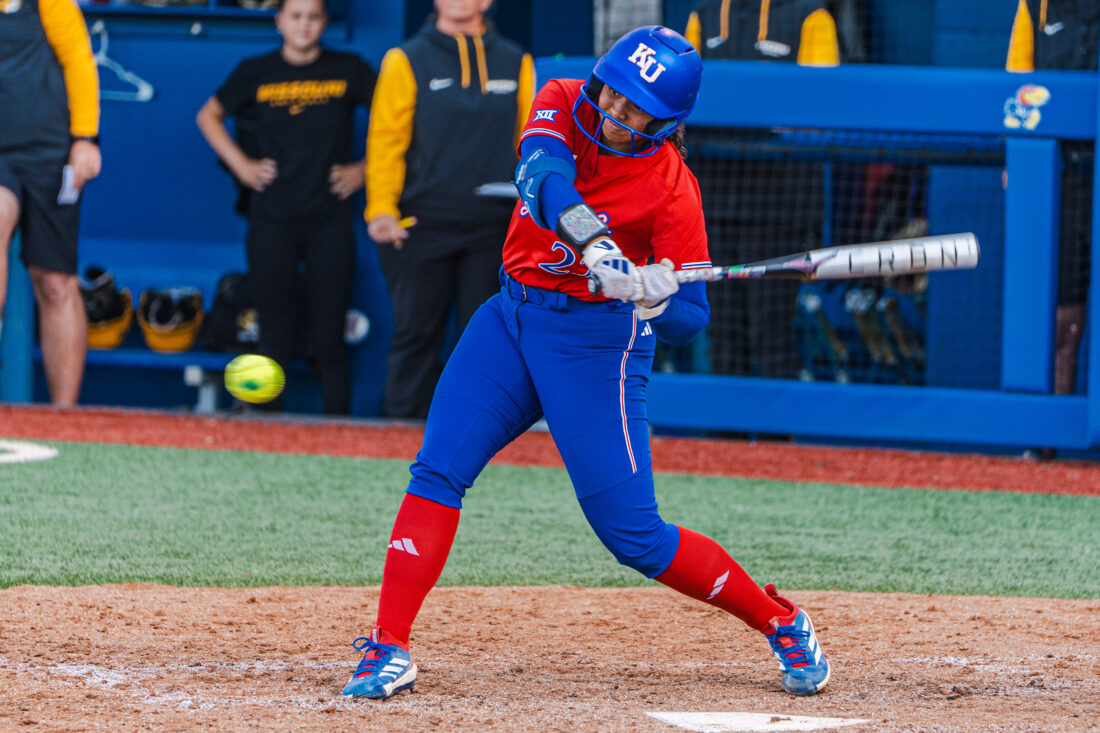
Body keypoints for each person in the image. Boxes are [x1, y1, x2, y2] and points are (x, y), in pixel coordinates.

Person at [341, 26, 830, 701]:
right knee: (438, 470)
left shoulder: (672, 190)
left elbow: (691, 319)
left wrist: (657, 297)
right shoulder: (563, 99)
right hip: (512, 317)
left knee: (635, 537)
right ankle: (388, 645)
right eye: (613, 93)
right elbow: (541, 175)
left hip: (596, 345)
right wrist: (599, 246)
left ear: (667, 124)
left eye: (636, 110)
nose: (614, 112)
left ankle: (780, 620)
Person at [196, 0, 376, 415]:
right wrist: (242, 166)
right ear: (279, 21)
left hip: (329, 221)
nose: (304, 25)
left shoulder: (348, 68)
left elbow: (399, 119)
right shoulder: (256, 71)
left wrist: (364, 170)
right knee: (273, 337)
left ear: (325, 22)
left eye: (313, 16)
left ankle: (341, 438)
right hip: (272, 219)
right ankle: (269, 436)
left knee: (329, 339)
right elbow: (208, 116)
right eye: (295, 16)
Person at [366, 0, 534, 419]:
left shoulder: (517, 61)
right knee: (415, 337)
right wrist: (381, 209)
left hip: (494, 226)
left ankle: (480, 439)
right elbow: (386, 142)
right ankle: (395, 439)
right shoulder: (406, 58)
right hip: (422, 222)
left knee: (487, 343)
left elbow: (530, 144)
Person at [684, 1, 840, 380]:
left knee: (773, 335)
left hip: (779, 206)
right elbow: (682, 98)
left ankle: (778, 421)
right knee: (723, 337)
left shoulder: (811, 15)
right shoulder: (704, 14)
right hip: (713, 204)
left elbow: (819, 108)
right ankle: (726, 422)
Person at [0, 0, 101, 405]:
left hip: (51, 152)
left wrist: (85, 139)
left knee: (55, 282)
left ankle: (65, 418)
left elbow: (78, 58)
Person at [1006, 0, 1096, 397]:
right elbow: (1016, 85)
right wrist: (1015, 160)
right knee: (1062, 322)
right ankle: (1049, 425)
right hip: (1062, 180)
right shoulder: (1035, 6)